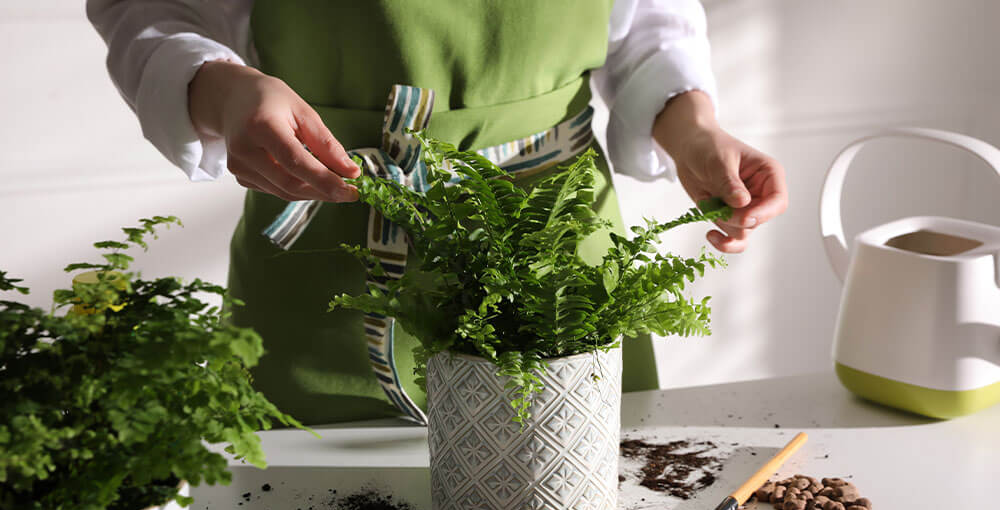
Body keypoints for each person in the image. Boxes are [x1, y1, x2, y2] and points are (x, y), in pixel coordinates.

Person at [88, 0, 787, 426]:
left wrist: (695, 131)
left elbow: (646, 25)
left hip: (557, 266)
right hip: (328, 257)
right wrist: (223, 89)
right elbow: (149, 8)